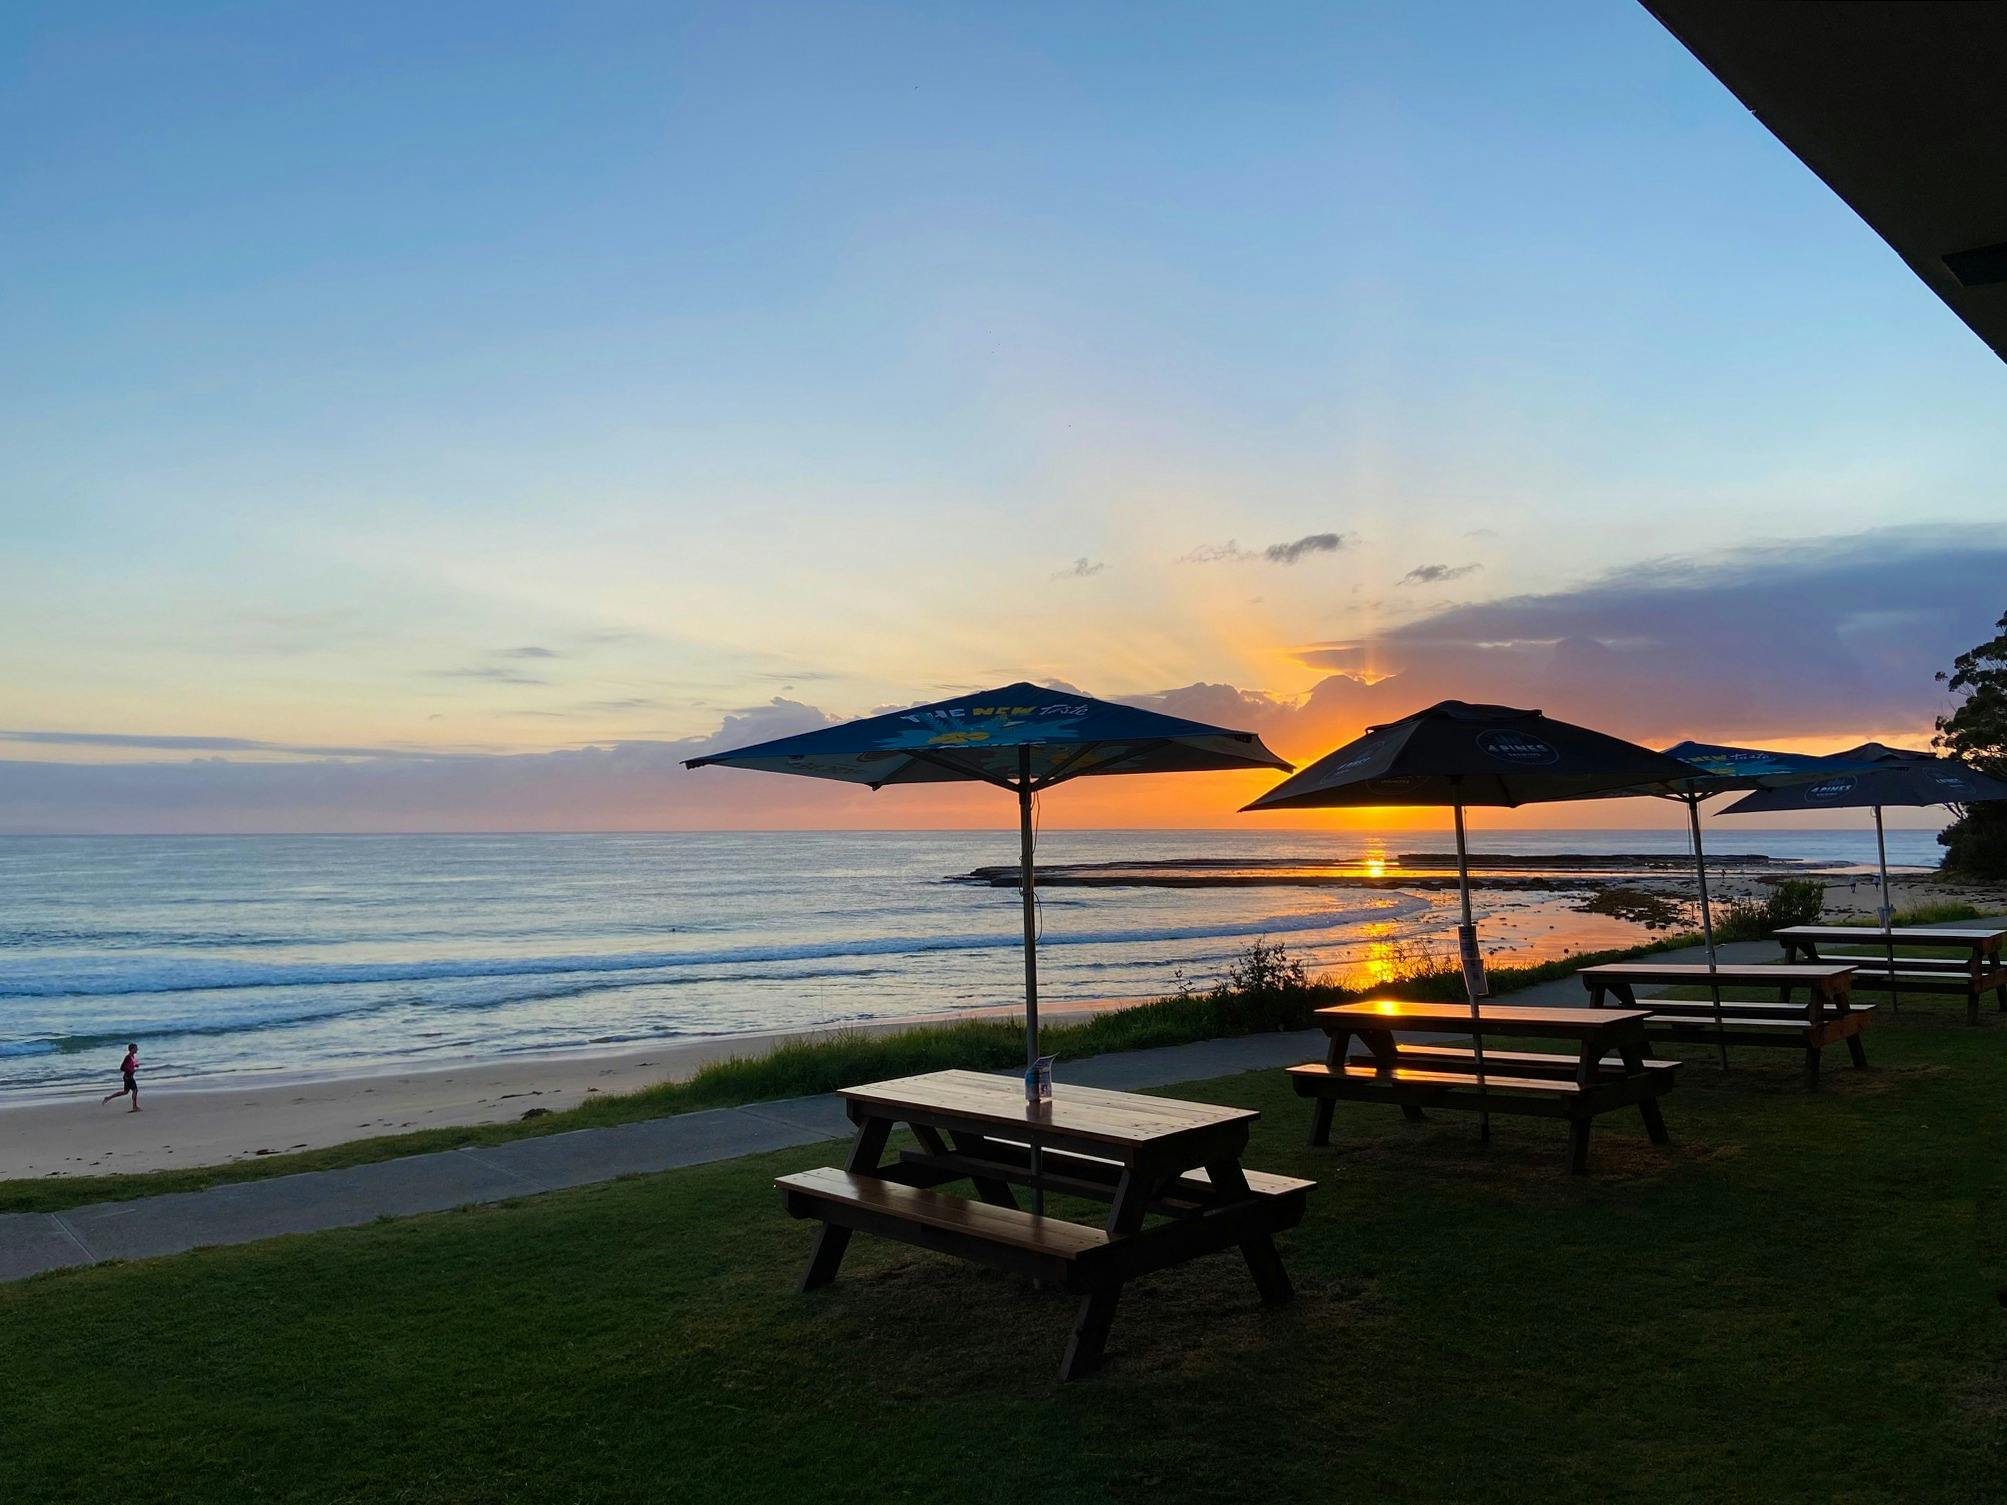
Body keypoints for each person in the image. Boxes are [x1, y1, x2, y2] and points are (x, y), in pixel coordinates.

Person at [101, 1042, 140, 1112]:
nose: (137, 1049)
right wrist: (130, 1070)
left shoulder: (132, 1057)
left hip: (128, 1076)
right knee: (135, 1090)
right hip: (128, 1077)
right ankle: (134, 1107)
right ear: (132, 1049)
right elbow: (122, 1067)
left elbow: (131, 1065)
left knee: (125, 1092)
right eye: (136, 1048)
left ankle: (108, 1097)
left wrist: (135, 1065)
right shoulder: (128, 1057)